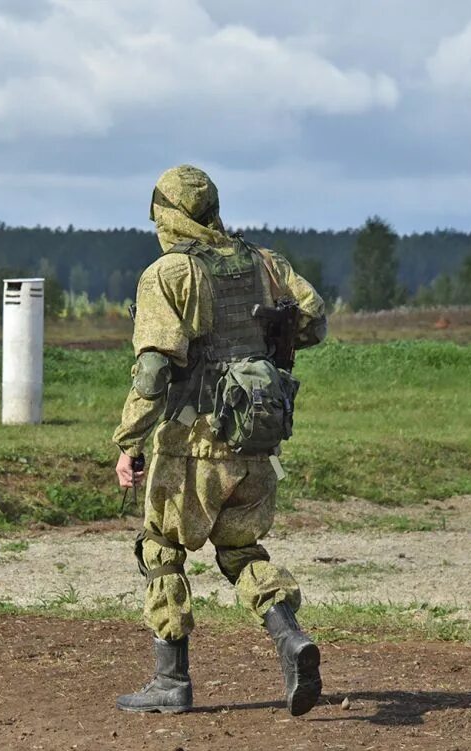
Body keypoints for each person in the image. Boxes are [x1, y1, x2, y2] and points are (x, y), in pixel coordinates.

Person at [112, 164, 328, 716]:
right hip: (256, 442)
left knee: (162, 547)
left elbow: (155, 371)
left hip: (192, 443)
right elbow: (314, 319)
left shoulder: (169, 274)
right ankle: (289, 637)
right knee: (242, 551)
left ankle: (171, 682)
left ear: (165, 213)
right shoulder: (266, 263)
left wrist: (129, 442)